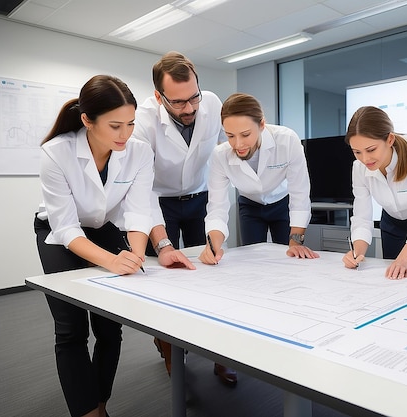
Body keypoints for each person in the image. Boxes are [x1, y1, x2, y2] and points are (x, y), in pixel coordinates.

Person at [33, 75, 153, 417]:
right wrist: (113, 262)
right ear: (88, 120)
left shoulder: (139, 152)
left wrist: (137, 252)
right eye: (115, 126)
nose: (125, 134)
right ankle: (85, 413)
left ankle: (99, 405)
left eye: (131, 123)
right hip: (58, 233)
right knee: (72, 330)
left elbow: (139, 210)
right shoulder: (56, 152)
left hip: (103, 229)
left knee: (109, 326)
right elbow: (68, 229)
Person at [131, 51, 236, 384]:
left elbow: (225, 156)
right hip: (159, 202)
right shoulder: (143, 120)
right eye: (178, 103)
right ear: (159, 96)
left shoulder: (213, 104)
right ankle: (171, 351)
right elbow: (141, 186)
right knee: (163, 282)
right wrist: (161, 242)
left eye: (194, 98)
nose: (190, 108)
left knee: (211, 276)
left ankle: (222, 354)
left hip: (199, 196)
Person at [199, 93, 319, 265]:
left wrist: (296, 242)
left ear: (261, 124)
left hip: (282, 203)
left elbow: (299, 193)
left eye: (245, 134)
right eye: (230, 136)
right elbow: (217, 207)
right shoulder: (220, 155)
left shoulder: (286, 140)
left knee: (290, 258)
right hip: (250, 206)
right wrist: (212, 245)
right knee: (252, 260)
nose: (238, 144)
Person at [342, 106, 407, 279]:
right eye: (357, 152)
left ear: (389, 139)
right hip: (391, 226)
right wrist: (356, 253)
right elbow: (361, 217)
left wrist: (404, 259)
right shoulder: (359, 168)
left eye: (371, 149)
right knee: (395, 282)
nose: (365, 159)